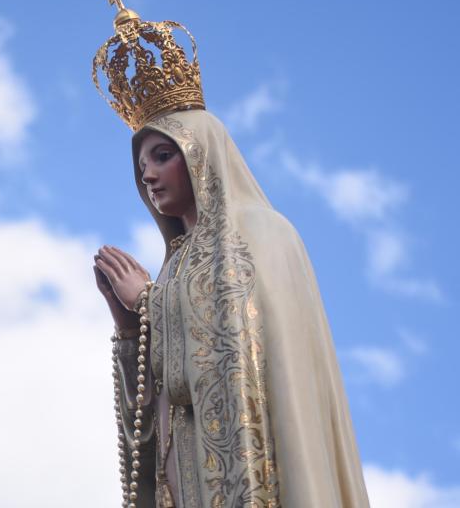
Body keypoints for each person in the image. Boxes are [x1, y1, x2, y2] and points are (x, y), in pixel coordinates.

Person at [94, 109, 371, 508]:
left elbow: (231, 344)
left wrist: (147, 301)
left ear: (201, 155)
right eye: (141, 166)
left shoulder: (264, 233)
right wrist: (132, 328)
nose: (148, 176)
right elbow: (167, 394)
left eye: (162, 156)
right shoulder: (173, 268)